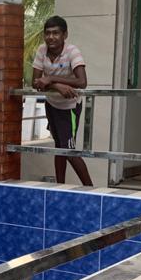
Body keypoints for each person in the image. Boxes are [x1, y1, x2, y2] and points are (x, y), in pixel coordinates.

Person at [32, 16, 93, 186]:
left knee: (69, 151)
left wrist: (51, 78)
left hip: (69, 107)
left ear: (64, 35)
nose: (51, 37)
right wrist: (56, 86)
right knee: (59, 147)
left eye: (56, 33)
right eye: (47, 33)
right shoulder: (42, 50)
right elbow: (35, 82)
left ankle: (91, 189)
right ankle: (59, 187)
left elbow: (82, 82)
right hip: (52, 104)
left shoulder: (72, 52)